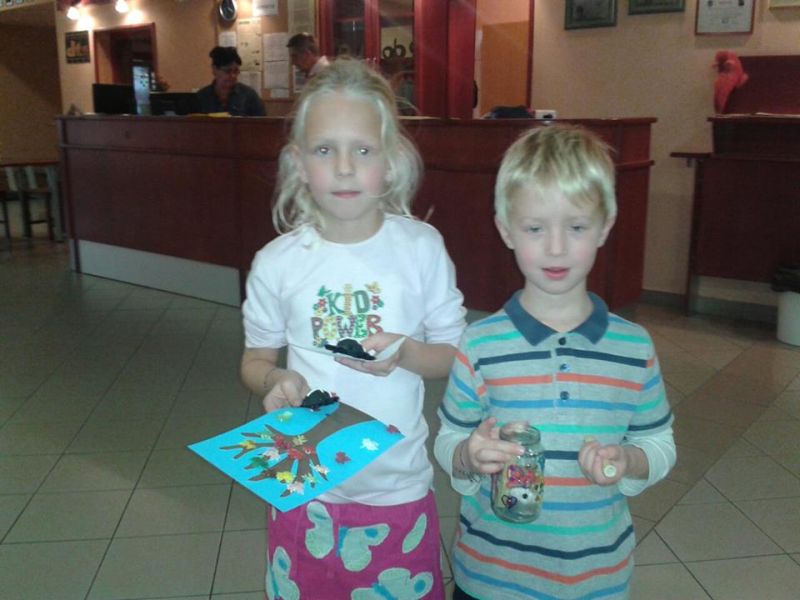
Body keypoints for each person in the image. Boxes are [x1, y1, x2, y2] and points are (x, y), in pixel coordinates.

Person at [240, 58, 465, 599]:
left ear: (390, 162)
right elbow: (255, 360)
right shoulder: (276, 263)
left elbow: (454, 353)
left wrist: (407, 353)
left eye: (363, 150)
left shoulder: (421, 250)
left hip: (397, 490)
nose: (344, 168)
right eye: (325, 150)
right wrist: (274, 380)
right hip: (304, 488)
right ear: (299, 163)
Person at [434, 124, 676, 600]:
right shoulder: (479, 344)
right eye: (535, 228)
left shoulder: (634, 348)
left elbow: (658, 442)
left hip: (596, 579)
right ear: (506, 230)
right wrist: (467, 456)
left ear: (605, 226)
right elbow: (449, 439)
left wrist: (629, 460)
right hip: (490, 578)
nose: (557, 247)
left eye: (577, 227)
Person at [196, 46, 266, 116]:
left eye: (236, 71)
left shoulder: (249, 96)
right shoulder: (201, 97)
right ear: (215, 69)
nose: (233, 75)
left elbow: (262, 121)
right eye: (228, 71)